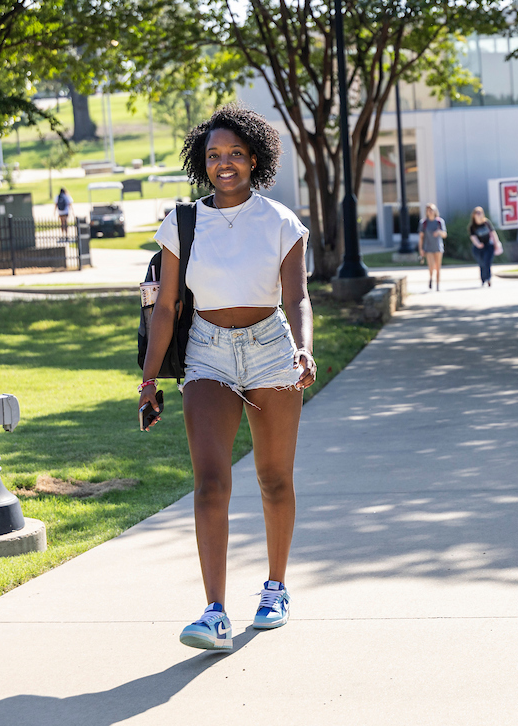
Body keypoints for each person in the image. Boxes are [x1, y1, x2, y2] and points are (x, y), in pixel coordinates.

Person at [138, 103, 316, 651]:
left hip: (270, 350)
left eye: (235, 153)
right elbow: (165, 308)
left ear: (254, 159)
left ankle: (276, 588)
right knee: (210, 481)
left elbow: (297, 297)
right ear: (203, 161)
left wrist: (305, 351)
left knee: (274, 479)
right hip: (208, 353)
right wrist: (149, 381)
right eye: (214, 155)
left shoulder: (282, 222)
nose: (224, 163)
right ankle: (214, 612)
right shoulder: (183, 223)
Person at [468, 206, 499, 287]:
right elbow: (473, 237)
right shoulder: (472, 226)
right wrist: (478, 244)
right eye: (477, 213)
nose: (478, 215)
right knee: (481, 263)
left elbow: (493, 233)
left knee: (487, 262)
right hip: (478, 247)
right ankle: (483, 279)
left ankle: (488, 278)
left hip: (488, 245)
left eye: (480, 213)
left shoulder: (486, 223)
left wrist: (497, 243)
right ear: (474, 215)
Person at [419, 203, 447, 290]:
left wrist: (439, 232)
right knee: (431, 266)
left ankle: (438, 285)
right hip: (428, 247)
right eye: (428, 210)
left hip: (438, 247)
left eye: (432, 210)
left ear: (435, 211)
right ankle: (431, 278)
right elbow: (421, 237)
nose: (430, 212)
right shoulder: (423, 223)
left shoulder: (439, 222)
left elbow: (444, 234)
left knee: (438, 267)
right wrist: (421, 249)